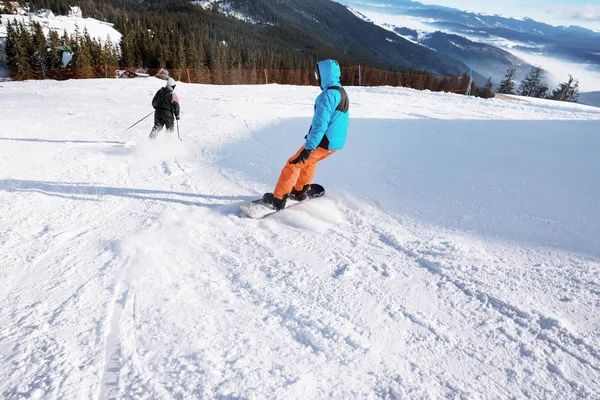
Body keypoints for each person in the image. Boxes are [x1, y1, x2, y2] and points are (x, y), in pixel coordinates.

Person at [262, 59, 350, 210]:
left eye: (317, 74)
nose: (316, 78)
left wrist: (309, 147)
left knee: (293, 164)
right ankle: (300, 190)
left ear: (324, 74)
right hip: (333, 144)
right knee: (309, 162)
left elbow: (320, 125)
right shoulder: (341, 92)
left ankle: (278, 199)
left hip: (322, 141)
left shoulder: (327, 95)